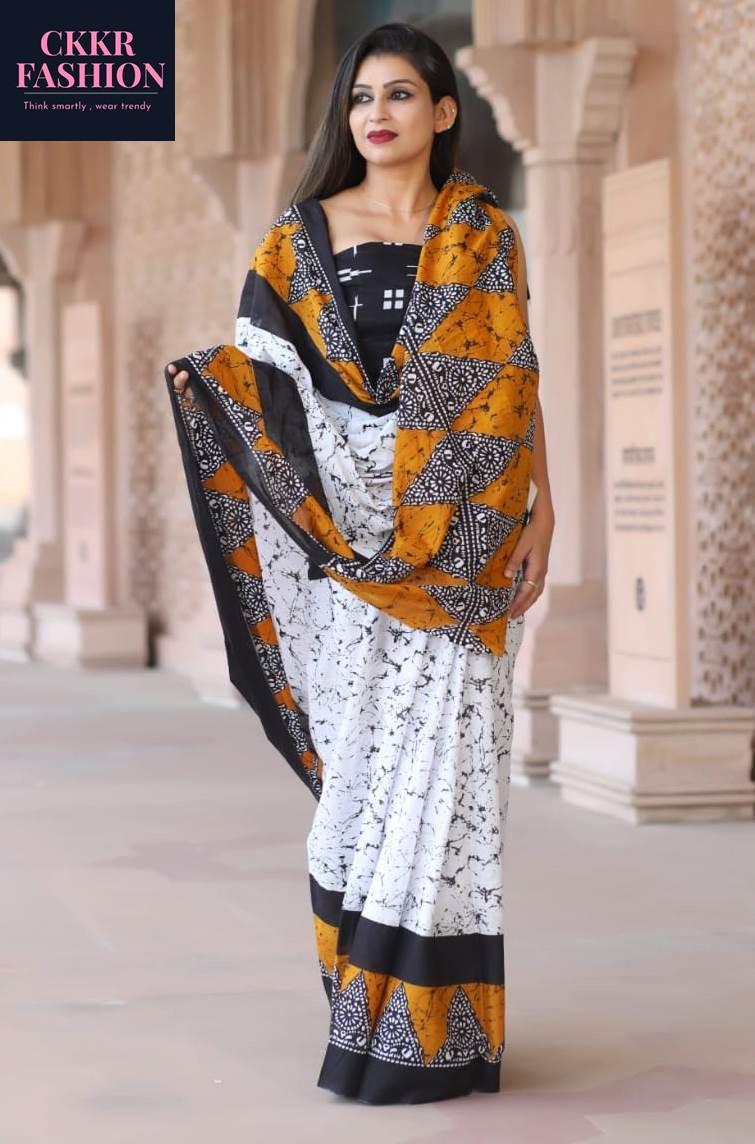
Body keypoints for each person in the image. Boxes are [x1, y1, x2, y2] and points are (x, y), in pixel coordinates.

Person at [167, 21, 554, 1106]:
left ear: (443, 111)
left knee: (450, 781)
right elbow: (264, 387)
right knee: (362, 781)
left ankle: (431, 1036)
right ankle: (365, 1009)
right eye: (358, 98)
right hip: (346, 554)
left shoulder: (486, 236)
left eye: (398, 94)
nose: (374, 114)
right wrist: (214, 396)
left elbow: (515, 381)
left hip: (468, 541)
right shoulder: (297, 242)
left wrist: (545, 508)